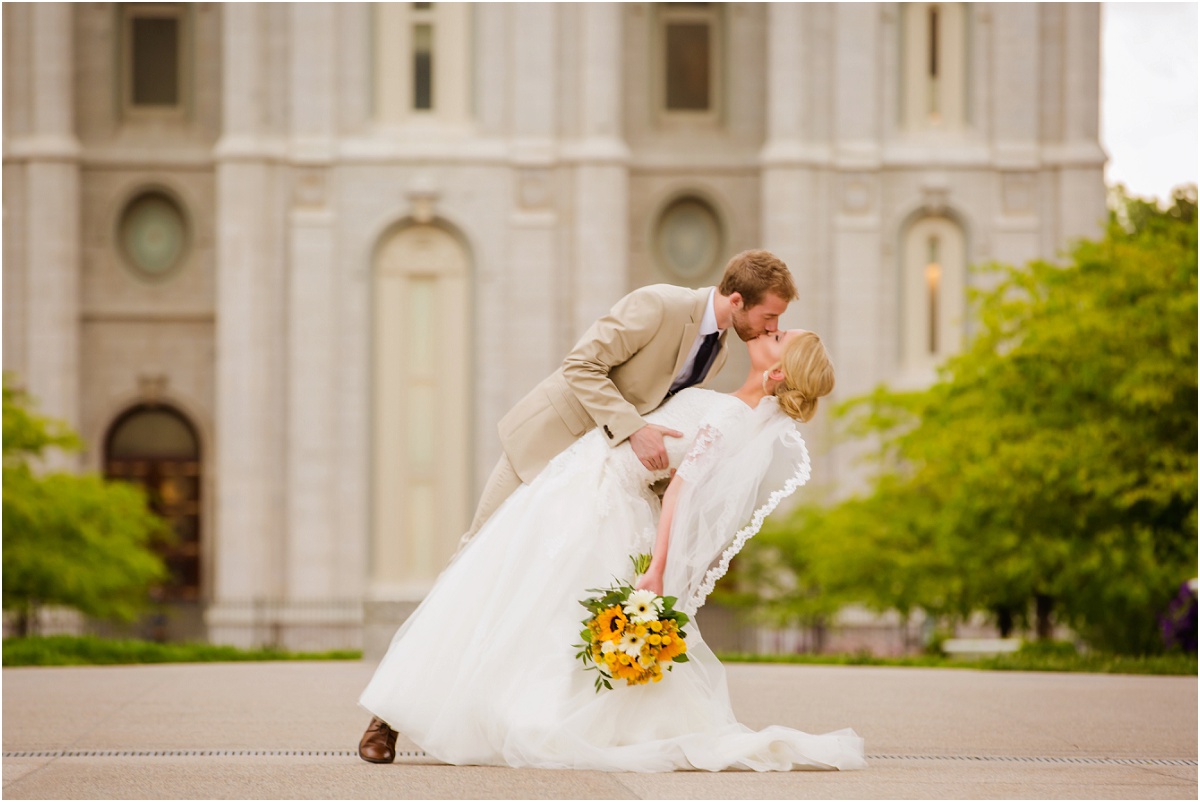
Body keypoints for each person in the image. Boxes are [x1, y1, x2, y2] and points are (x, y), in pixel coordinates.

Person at [357, 329, 866, 772]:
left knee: (517, 595)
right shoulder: (737, 408)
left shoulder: (734, 417)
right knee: (519, 596)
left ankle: (479, 712)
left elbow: (684, 490)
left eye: (778, 339)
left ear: (777, 374)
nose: (768, 333)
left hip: (597, 502)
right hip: (588, 484)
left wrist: (659, 568)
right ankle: (441, 709)